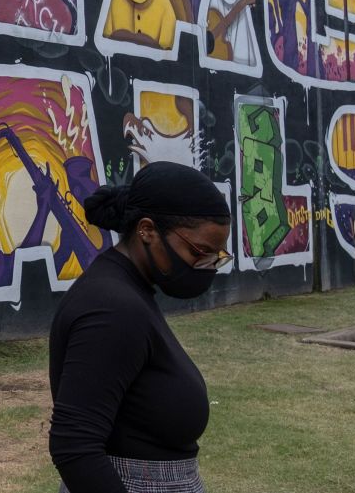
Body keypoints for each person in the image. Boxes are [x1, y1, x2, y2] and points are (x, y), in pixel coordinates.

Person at [49, 161, 232, 493]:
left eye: (215, 256)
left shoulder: (128, 293)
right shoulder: (111, 307)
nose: (206, 265)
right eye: (200, 252)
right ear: (146, 230)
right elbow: (75, 446)